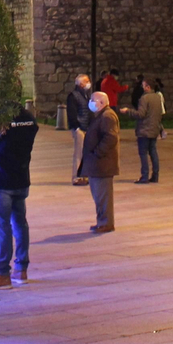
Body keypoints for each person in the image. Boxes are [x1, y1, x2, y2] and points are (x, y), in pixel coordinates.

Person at [0, 106, 38, 289]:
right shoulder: (29, 118)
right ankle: (21, 269)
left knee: (1, 228)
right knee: (20, 223)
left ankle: (2, 273)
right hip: (21, 179)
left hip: (0, 181)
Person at [78, 92, 119, 232]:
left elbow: (111, 137)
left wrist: (98, 153)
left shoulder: (107, 116)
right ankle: (101, 221)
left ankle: (106, 223)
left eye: (93, 100)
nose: (91, 102)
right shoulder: (101, 115)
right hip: (97, 164)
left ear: (101, 102)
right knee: (99, 196)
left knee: (103, 196)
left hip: (102, 164)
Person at [131, 78, 165, 184]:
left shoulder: (144, 98)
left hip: (144, 130)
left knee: (143, 153)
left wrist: (128, 111)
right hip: (154, 129)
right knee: (153, 152)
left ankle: (144, 176)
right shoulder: (157, 97)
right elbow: (159, 114)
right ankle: (155, 175)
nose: (142, 87)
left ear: (148, 87)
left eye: (143, 85)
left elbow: (141, 114)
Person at [67, 74, 93, 186]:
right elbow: (72, 112)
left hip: (87, 127)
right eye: (86, 81)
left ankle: (84, 175)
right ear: (81, 84)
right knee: (79, 153)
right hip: (80, 128)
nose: (89, 83)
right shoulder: (73, 96)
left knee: (86, 153)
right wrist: (76, 127)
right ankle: (76, 176)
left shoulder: (86, 95)